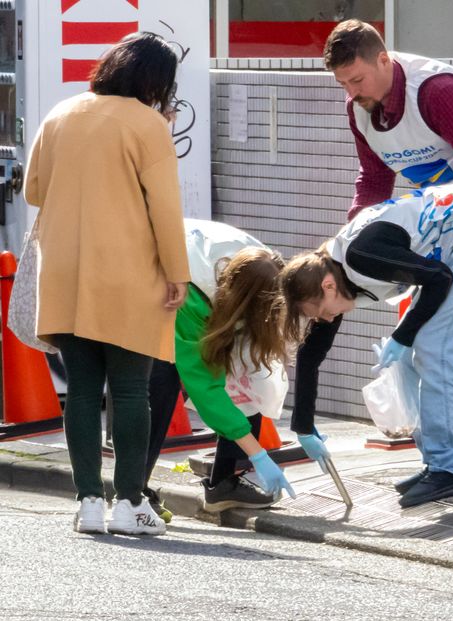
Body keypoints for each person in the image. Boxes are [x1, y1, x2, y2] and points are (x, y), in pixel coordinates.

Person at [295, 18, 453, 474]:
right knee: (435, 310)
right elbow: (375, 180)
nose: (351, 92)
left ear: (384, 60)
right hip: (446, 200)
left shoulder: (436, 91)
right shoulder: (361, 108)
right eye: (342, 84)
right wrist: (356, 236)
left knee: (452, 314)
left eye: (357, 79)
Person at [23, 32, 188, 538]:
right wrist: (178, 272)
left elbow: (33, 190)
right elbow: (164, 207)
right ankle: (130, 503)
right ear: (157, 81)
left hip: (64, 269)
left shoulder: (61, 113)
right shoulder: (148, 124)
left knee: (83, 389)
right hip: (127, 269)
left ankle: (88, 502)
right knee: (132, 389)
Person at [281, 182, 453, 506]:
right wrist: (304, 427)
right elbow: (311, 354)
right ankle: (438, 463)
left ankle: (452, 469)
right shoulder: (334, 275)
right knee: (409, 357)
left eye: (320, 311)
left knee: (436, 349)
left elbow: (440, 279)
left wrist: (402, 335)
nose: (324, 319)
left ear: (327, 286)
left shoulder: (360, 257)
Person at [145, 220, 301, 514]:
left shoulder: (266, 268)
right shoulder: (194, 297)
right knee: (161, 382)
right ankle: (134, 490)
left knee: (247, 375)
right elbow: (205, 387)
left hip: (201, 274)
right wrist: (258, 455)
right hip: (156, 286)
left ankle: (224, 485)